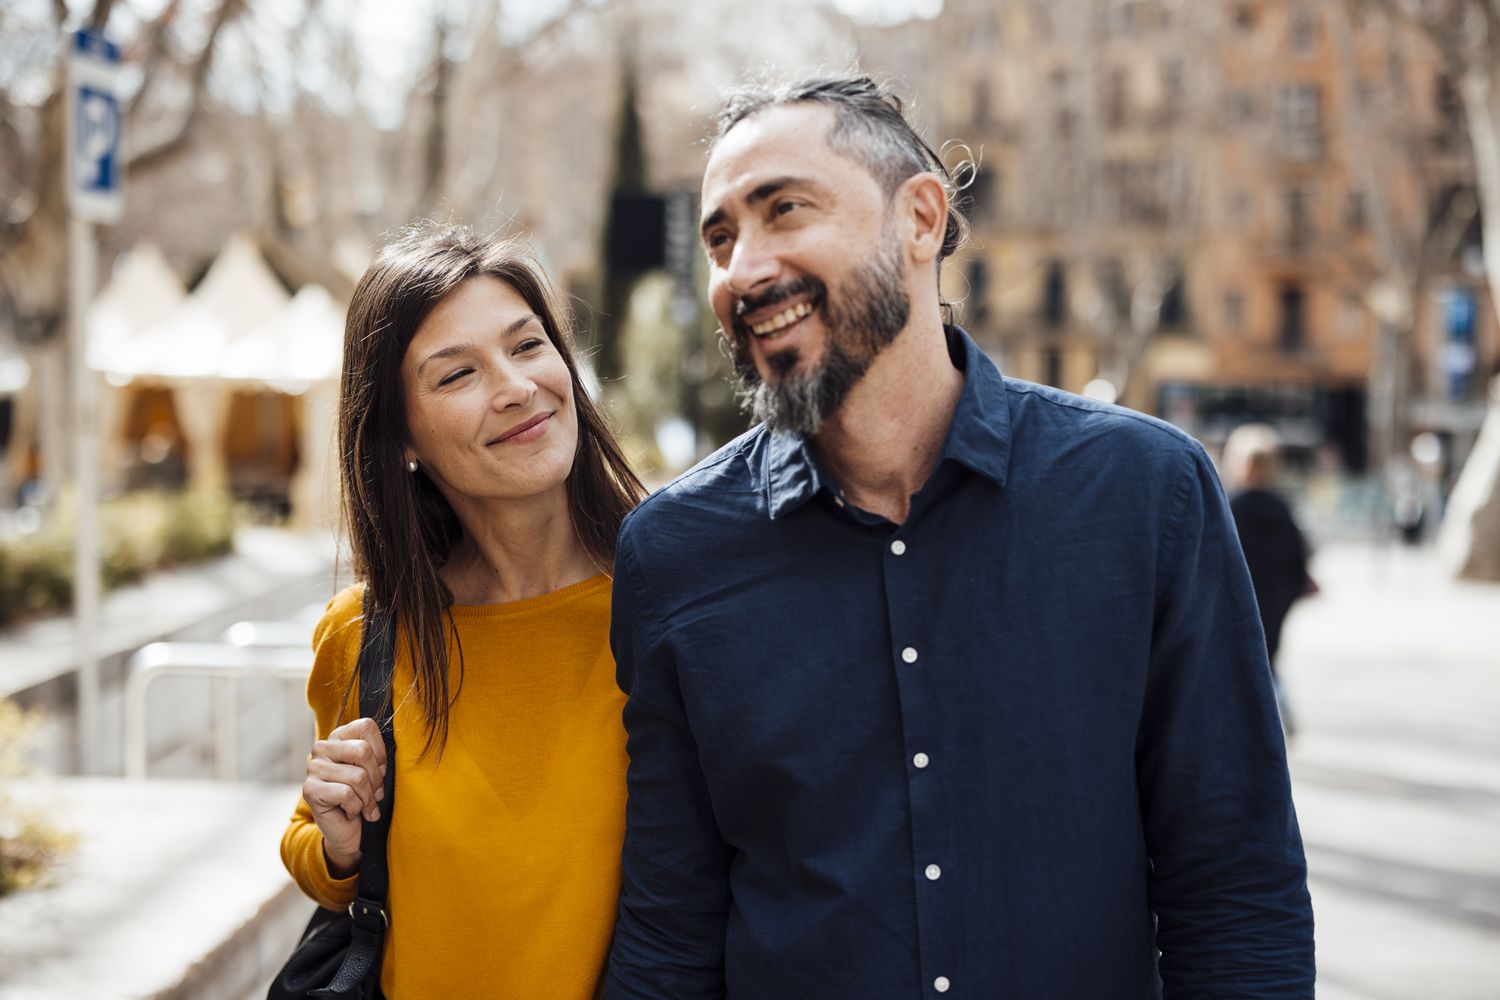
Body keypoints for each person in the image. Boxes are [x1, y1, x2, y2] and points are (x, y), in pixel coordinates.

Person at [606, 76, 1314, 999]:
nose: (743, 267)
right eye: (721, 237)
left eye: (785, 209)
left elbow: (1234, 888)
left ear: (922, 220)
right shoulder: (673, 554)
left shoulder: (1146, 495)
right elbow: (670, 932)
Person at [280, 223, 645, 999]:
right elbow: (317, 851)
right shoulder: (363, 634)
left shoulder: (666, 601)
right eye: (456, 376)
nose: (515, 387)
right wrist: (342, 844)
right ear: (400, 435)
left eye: (527, 346)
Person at [1224, 423, 1314, 736]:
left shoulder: (1230, 508)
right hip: (1276, 600)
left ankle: (1264, 718)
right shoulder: (1282, 509)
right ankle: (1277, 709)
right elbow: (1300, 561)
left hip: (1238, 601)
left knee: (1240, 665)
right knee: (1267, 660)